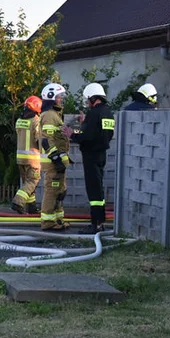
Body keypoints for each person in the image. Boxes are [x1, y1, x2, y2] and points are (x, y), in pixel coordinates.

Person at [70, 83, 115, 234]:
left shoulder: (94, 113)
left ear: (93, 98)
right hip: (101, 154)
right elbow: (101, 133)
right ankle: (100, 222)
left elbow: (86, 136)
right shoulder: (108, 113)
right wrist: (85, 124)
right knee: (99, 189)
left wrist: (72, 134)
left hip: (91, 155)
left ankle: (95, 224)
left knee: (93, 191)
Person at [38, 84, 71, 231]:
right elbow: (46, 140)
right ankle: (48, 222)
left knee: (60, 191)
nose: (61, 100)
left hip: (57, 162)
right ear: (51, 98)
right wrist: (56, 158)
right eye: (59, 97)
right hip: (53, 163)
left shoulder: (55, 115)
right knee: (52, 191)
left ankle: (57, 219)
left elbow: (61, 135)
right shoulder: (49, 115)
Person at [11, 95, 43, 216]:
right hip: (33, 158)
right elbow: (39, 139)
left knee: (27, 182)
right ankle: (18, 202)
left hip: (20, 158)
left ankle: (32, 207)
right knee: (32, 181)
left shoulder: (19, 120)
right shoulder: (36, 120)